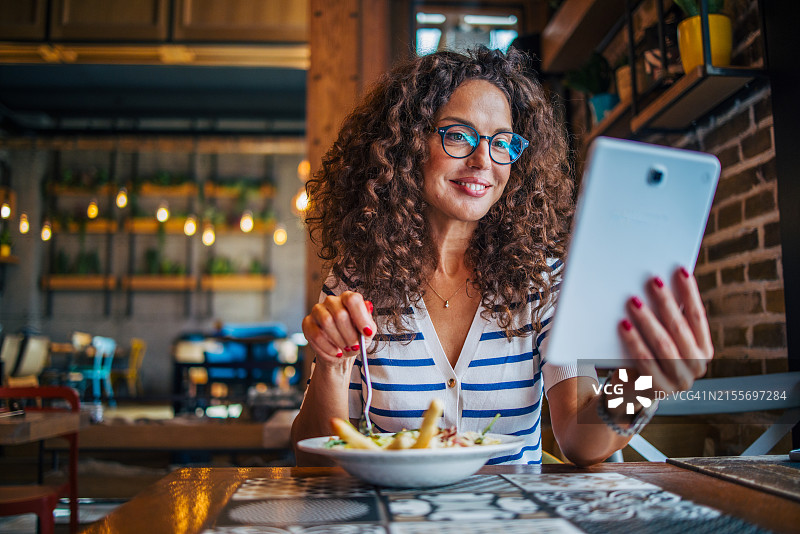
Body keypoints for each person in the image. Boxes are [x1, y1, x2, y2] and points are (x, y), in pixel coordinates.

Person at [291, 47, 713, 466]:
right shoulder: (358, 280)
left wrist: (643, 383)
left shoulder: (542, 280)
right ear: (410, 142)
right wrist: (331, 365)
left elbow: (580, 438)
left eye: (502, 143)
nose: (483, 161)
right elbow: (315, 463)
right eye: (459, 135)